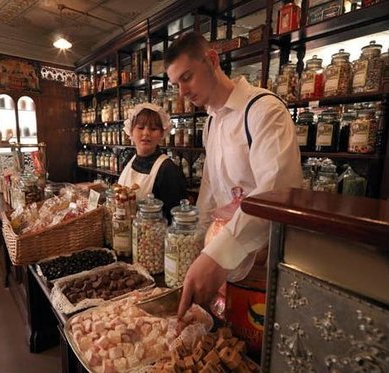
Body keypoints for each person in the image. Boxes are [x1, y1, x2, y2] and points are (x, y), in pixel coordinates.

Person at [165, 32, 302, 317]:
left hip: (264, 264)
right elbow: (211, 189)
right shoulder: (212, 123)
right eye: (176, 84)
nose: (182, 92)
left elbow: (275, 194)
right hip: (227, 260)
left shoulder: (264, 111)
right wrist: (197, 242)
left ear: (212, 60)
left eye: (187, 77)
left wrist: (217, 255)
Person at [118, 102, 187, 221]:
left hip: (151, 237)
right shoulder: (129, 159)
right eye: (140, 127)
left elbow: (174, 219)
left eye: (153, 128)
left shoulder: (168, 170)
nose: (146, 133)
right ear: (131, 131)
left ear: (162, 133)